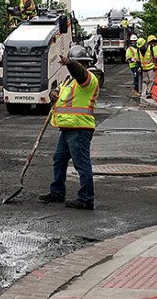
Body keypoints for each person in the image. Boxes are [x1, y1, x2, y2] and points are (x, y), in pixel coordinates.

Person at [38, 46, 101, 210]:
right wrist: (53, 93)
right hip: (67, 128)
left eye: (78, 63)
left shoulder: (88, 79)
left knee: (81, 164)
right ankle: (57, 191)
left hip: (80, 128)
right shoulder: (68, 81)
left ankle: (86, 199)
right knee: (59, 160)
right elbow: (57, 91)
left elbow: (80, 73)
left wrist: (71, 63)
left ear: (83, 64)